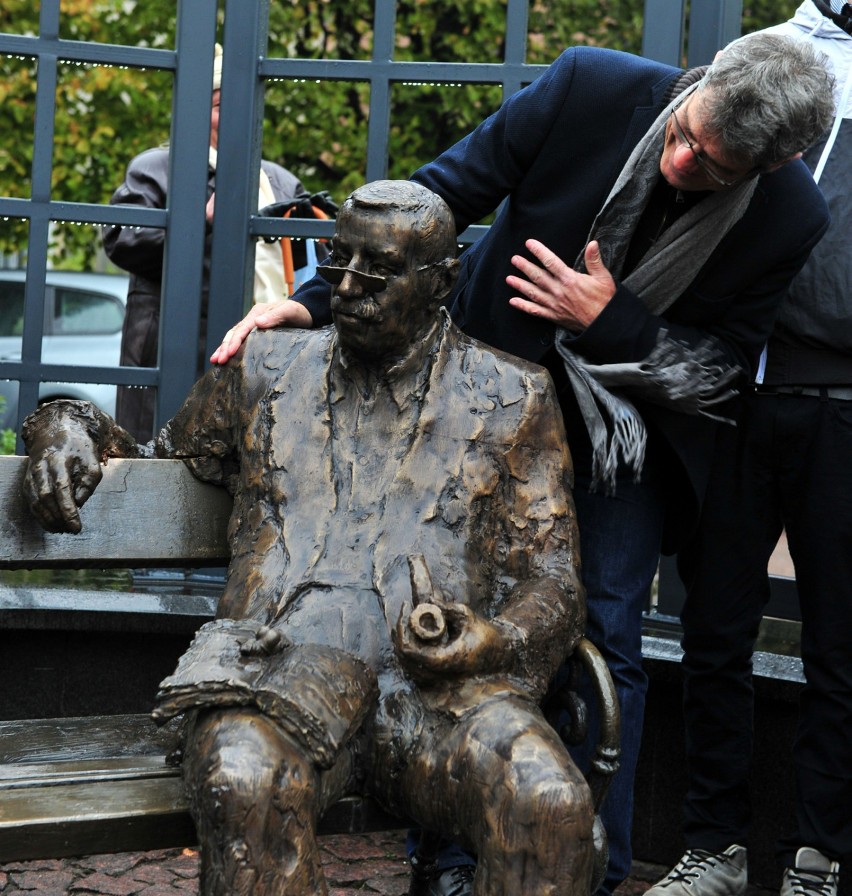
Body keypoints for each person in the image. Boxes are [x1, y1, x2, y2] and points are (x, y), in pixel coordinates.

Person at [208, 33, 835, 896]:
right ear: (703, 82)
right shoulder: (591, 87)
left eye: (712, 165)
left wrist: (609, 319)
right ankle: (452, 860)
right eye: (684, 132)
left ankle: (586, 867)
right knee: (451, 612)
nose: (683, 158)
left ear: (775, 163)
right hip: (486, 408)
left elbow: (721, 374)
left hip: (629, 439)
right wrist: (316, 303)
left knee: (607, 631)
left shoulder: (791, 214)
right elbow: (441, 196)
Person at [22, 180, 599, 896]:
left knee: (550, 806)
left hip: (435, 692)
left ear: (442, 281)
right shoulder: (264, 369)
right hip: (275, 676)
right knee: (244, 779)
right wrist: (67, 424)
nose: (349, 285)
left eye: (379, 271)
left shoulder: (515, 396)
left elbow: (552, 581)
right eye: (338, 260)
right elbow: (150, 456)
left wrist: (492, 640)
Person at [643, 5, 852, 896]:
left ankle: (819, 855)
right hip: (727, 390)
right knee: (712, 628)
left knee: (840, 642)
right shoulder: (768, 50)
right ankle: (712, 847)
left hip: (840, 399)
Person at [102, 42, 305, 442]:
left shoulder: (280, 179)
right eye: (218, 104)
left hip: (268, 345)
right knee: (162, 453)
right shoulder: (156, 168)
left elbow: (304, 264)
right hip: (176, 346)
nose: (230, 114)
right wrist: (204, 220)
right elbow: (122, 240)